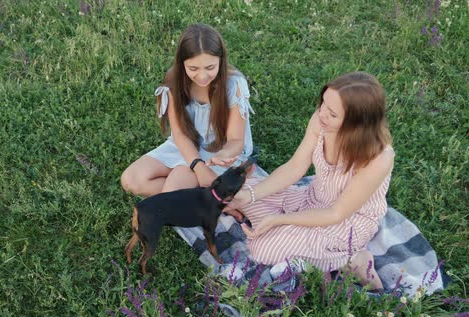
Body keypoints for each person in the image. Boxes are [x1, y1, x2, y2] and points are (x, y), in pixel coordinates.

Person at [226, 72, 393, 290]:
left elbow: (335, 214)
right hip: (312, 198)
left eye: (332, 113)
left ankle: (354, 260)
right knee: (241, 189)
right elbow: (295, 167)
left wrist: (278, 220)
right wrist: (249, 195)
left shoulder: (379, 158)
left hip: (345, 222)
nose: (322, 113)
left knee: (263, 249)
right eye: (323, 103)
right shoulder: (321, 120)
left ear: (357, 123)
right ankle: (291, 239)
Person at [121, 24, 255, 198]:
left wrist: (224, 155)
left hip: (217, 151)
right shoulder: (174, 83)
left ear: (221, 61)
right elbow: (180, 135)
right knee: (131, 180)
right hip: (185, 145)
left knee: (172, 192)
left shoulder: (233, 84)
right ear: (182, 62)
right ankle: (207, 194)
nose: (202, 76)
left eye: (210, 67)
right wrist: (199, 168)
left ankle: (188, 189)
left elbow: (236, 140)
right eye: (193, 69)